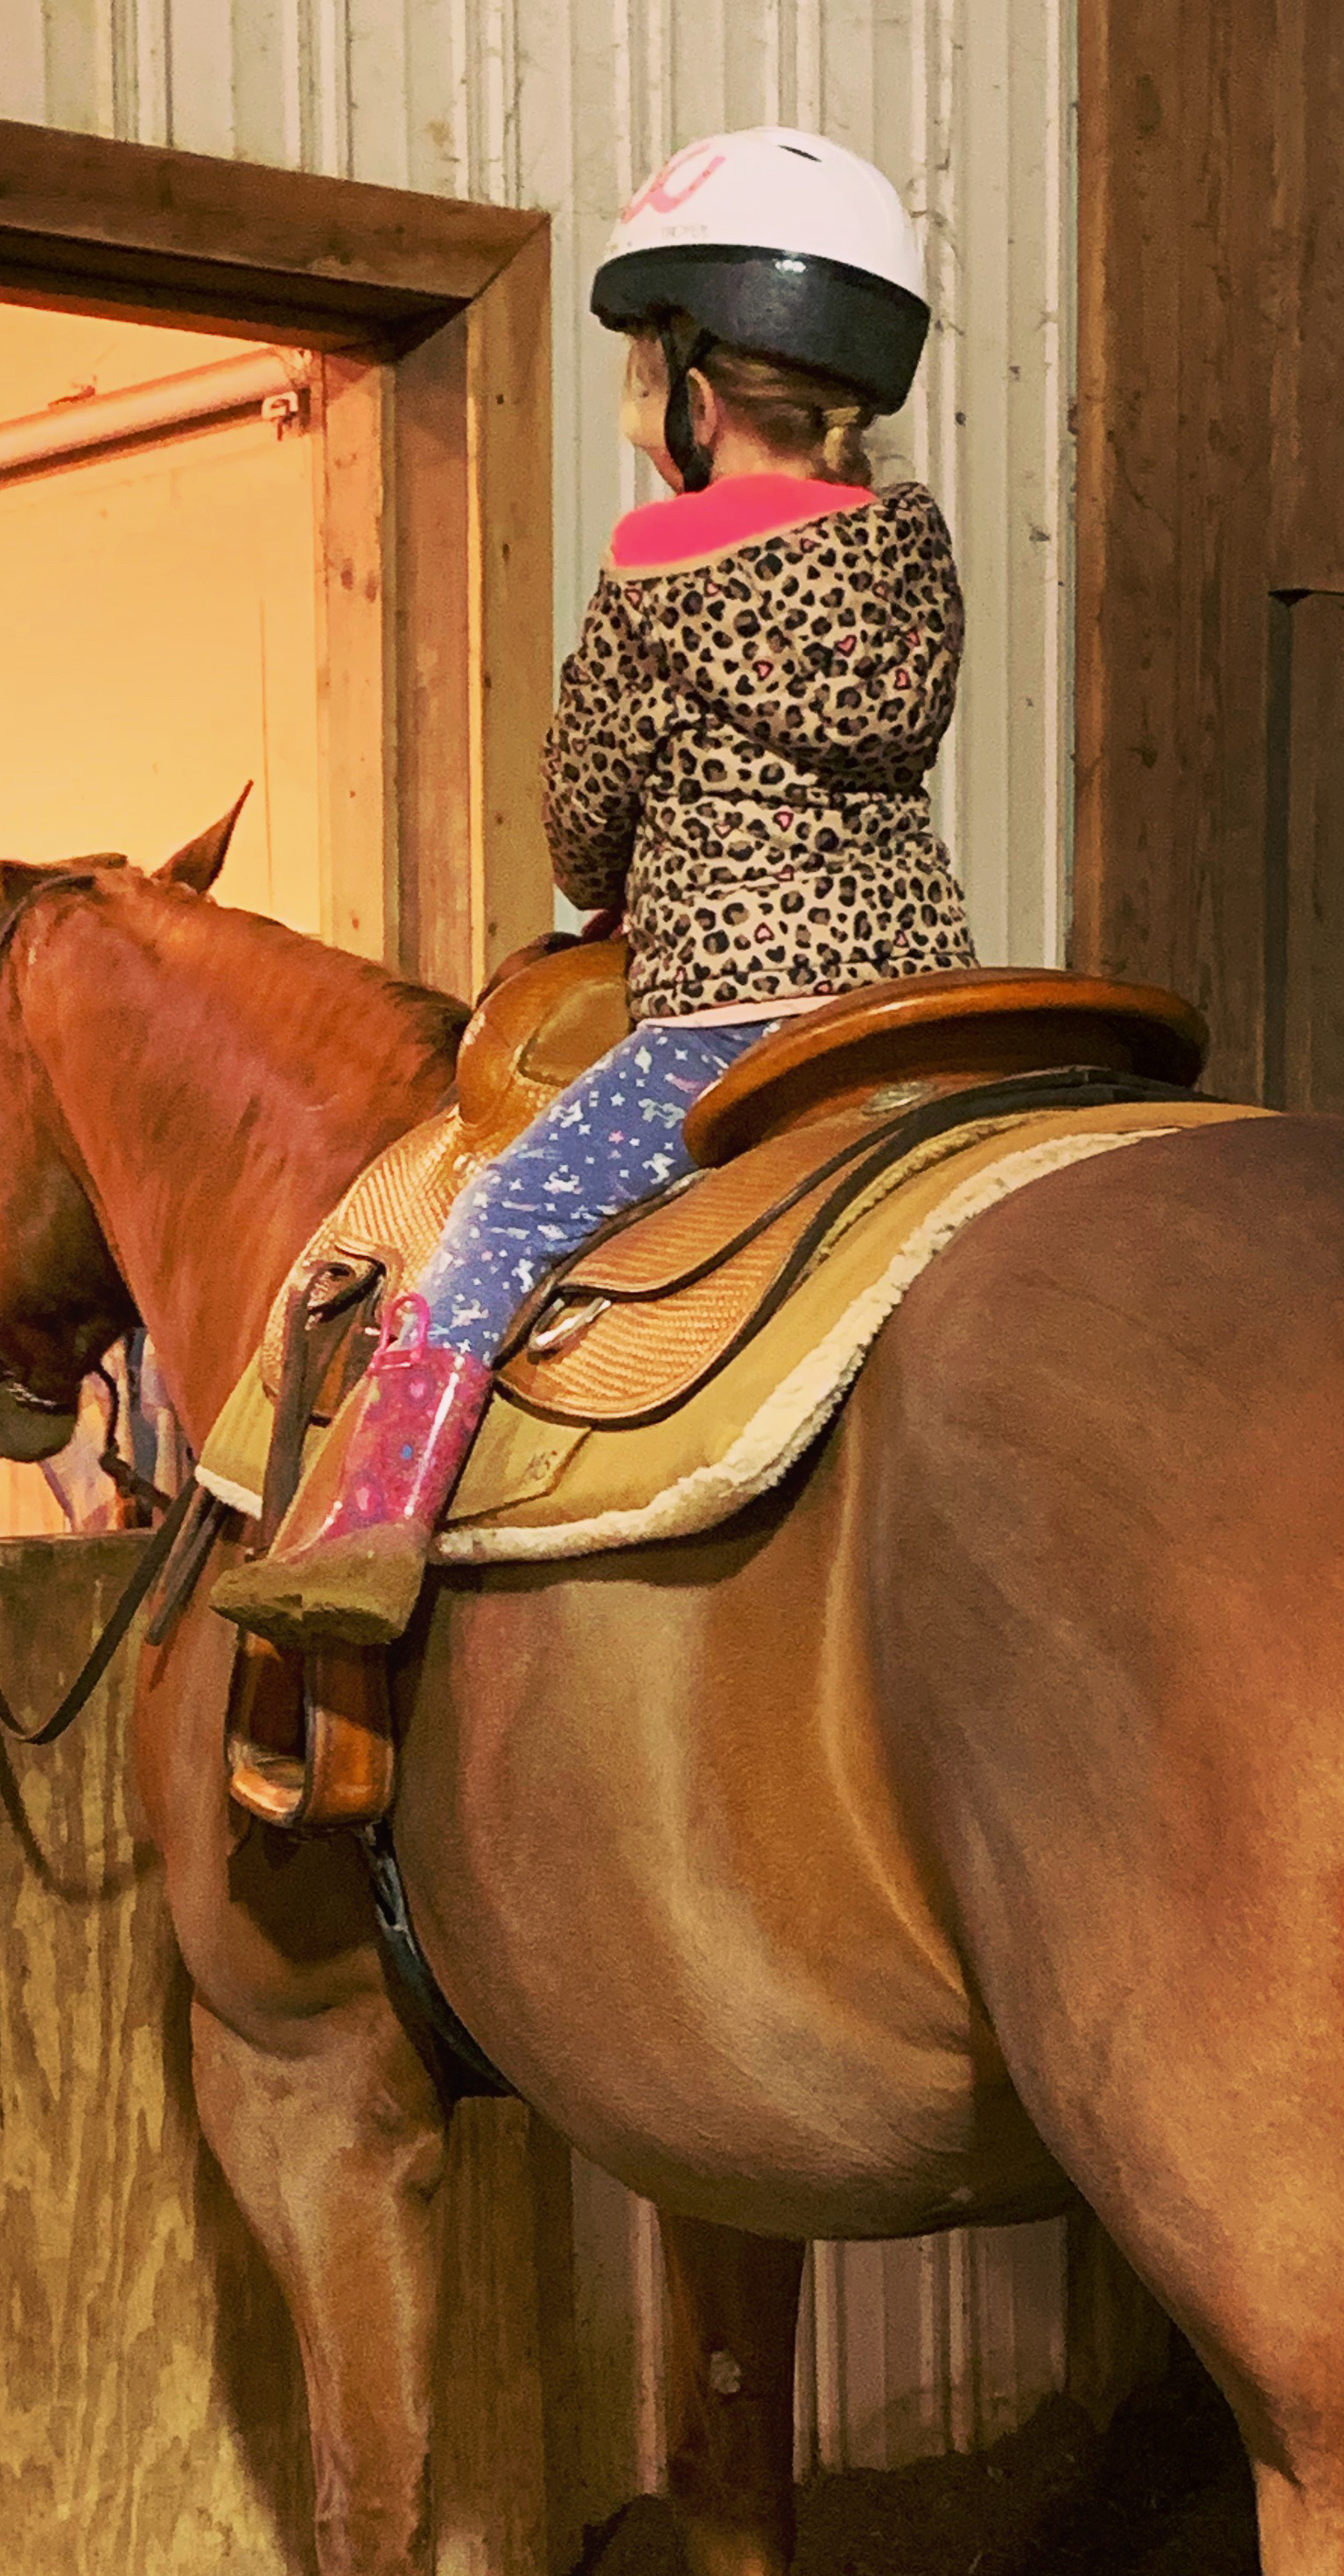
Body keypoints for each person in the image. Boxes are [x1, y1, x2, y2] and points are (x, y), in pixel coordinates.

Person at [215, 124, 976, 1651]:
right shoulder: (913, 545)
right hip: (924, 1007)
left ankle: (372, 1535)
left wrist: (608, 858)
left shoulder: (655, 570)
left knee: (492, 1221)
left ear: (696, 393)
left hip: (725, 1031)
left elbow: (583, 819)